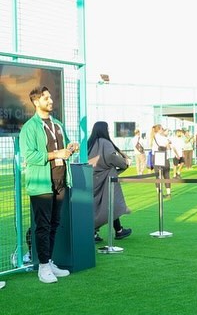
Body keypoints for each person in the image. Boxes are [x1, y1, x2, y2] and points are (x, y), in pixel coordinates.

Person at [19, 86, 78, 283]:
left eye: (50, 97)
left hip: (60, 181)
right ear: (36, 102)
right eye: (46, 98)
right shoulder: (29, 127)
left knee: (54, 224)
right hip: (41, 184)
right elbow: (29, 156)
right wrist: (56, 154)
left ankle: (49, 261)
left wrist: (71, 147)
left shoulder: (58, 124)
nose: (50, 100)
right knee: (42, 226)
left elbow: (65, 146)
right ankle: (43, 267)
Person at [87, 121, 132, 242]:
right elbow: (111, 157)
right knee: (110, 203)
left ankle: (100, 232)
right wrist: (125, 162)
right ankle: (118, 231)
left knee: (96, 206)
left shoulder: (89, 143)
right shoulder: (105, 143)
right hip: (105, 179)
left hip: (91, 179)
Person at [149, 124, 172, 198]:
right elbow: (168, 148)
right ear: (159, 130)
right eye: (162, 129)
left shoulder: (152, 137)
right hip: (164, 157)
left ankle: (159, 193)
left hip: (155, 157)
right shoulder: (163, 138)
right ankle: (168, 193)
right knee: (166, 175)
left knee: (157, 176)